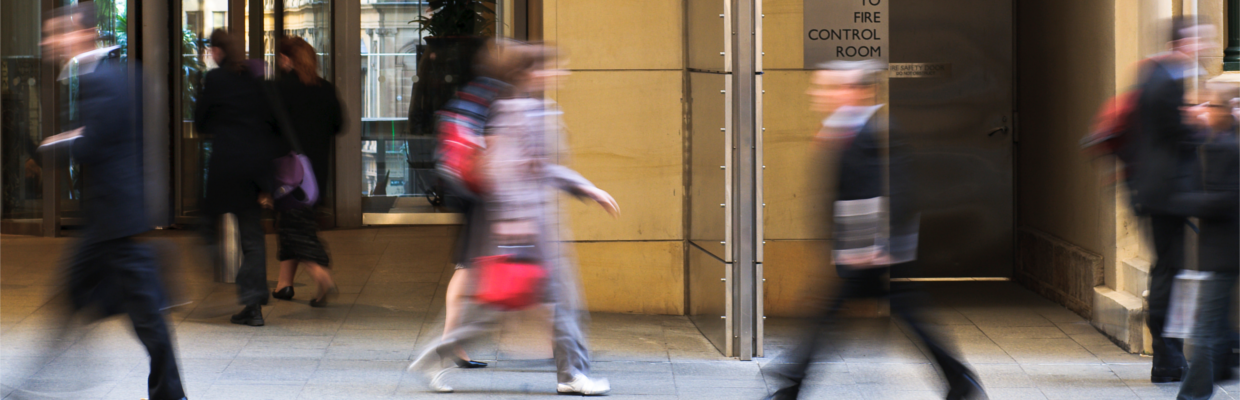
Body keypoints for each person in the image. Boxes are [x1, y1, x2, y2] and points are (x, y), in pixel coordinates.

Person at [407, 40, 620, 395]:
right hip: (525, 230)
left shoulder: (539, 110)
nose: (558, 73)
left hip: (537, 229)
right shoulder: (514, 113)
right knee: (505, 310)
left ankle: (571, 376)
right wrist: (515, 230)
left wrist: (587, 189)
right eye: (550, 67)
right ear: (527, 74)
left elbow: (545, 168)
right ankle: (436, 356)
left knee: (546, 306)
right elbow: (504, 174)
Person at [763, 60, 983, 400]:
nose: (816, 93)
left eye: (829, 86)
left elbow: (900, 189)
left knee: (838, 316)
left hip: (877, 250)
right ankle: (961, 383)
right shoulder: (845, 129)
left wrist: (885, 243)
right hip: (863, 249)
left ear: (857, 91)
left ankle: (791, 385)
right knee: (881, 315)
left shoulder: (878, 131)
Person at [37, 4, 188, 399]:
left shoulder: (100, 79)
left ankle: (169, 393)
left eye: (57, 33)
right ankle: (46, 378)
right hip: (111, 216)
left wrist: (61, 141)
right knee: (80, 300)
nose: (50, 42)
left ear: (82, 32)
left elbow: (93, 144)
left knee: (143, 316)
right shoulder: (122, 73)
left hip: (113, 219)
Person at [1128, 16, 1217, 383]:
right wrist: (1200, 122)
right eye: (1202, 40)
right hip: (1167, 192)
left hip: (1155, 189)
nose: (1208, 47)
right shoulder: (1169, 78)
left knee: (1167, 269)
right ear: (1186, 41)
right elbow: (1176, 133)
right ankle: (1167, 358)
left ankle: (1170, 357)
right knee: (1168, 271)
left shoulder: (1153, 73)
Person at [196, 29, 285, 326]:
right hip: (254, 169)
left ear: (218, 51)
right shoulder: (254, 80)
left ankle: (219, 264)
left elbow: (200, 121)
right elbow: (271, 122)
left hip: (227, 166)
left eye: (211, 49)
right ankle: (254, 303)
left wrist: (220, 123)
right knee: (252, 237)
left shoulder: (216, 79)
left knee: (208, 221)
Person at [436, 53, 509, 369]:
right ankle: (451, 341)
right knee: (470, 268)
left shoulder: (475, 92)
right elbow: (495, 150)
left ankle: (452, 341)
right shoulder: (500, 97)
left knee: (468, 267)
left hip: (465, 189)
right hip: (482, 193)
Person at [1172, 84, 1240, 400]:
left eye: (1209, 105)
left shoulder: (1225, 147)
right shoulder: (1223, 142)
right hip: (1224, 249)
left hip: (1222, 250)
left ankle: (1192, 396)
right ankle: (1218, 371)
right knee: (1213, 324)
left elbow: (1222, 200)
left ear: (1224, 111)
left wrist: (1180, 201)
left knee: (1204, 328)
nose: (1202, 111)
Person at [269, 36, 342, 307]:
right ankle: (284, 284)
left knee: (294, 227)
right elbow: (339, 124)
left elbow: (269, 129)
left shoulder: (279, 89)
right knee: (296, 223)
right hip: (316, 171)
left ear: (287, 59)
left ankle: (321, 274)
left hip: (288, 171)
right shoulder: (325, 89)